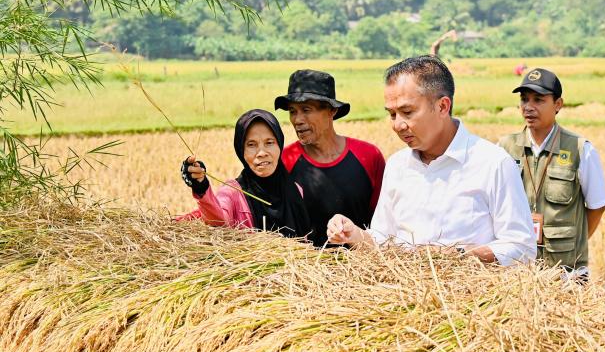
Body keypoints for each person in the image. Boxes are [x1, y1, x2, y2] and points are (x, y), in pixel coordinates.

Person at [327, 55, 536, 266]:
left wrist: (459, 255)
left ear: (443, 107)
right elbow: (385, 240)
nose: (398, 125)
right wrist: (355, 234)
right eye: (392, 114)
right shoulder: (397, 165)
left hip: (470, 294)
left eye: (407, 112)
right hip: (406, 294)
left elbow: (523, 248)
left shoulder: (493, 163)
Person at [498, 68, 605, 277]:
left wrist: (574, 242)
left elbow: (597, 206)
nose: (528, 107)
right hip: (517, 271)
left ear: (558, 104)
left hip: (566, 272)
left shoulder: (579, 149)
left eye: (538, 100)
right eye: (524, 99)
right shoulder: (505, 148)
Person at [275, 69, 385, 247]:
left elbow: (383, 220)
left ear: (332, 110)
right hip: (306, 270)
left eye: (306, 109)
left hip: (365, 268)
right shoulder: (285, 161)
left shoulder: (368, 156)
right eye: (292, 111)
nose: (297, 120)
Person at [179, 109, 311, 238]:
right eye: (251, 145)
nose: (262, 153)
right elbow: (218, 220)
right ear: (241, 151)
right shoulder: (233, 192)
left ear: (279, 146)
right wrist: (201, 186)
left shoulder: (296, 190)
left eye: (269, 143)